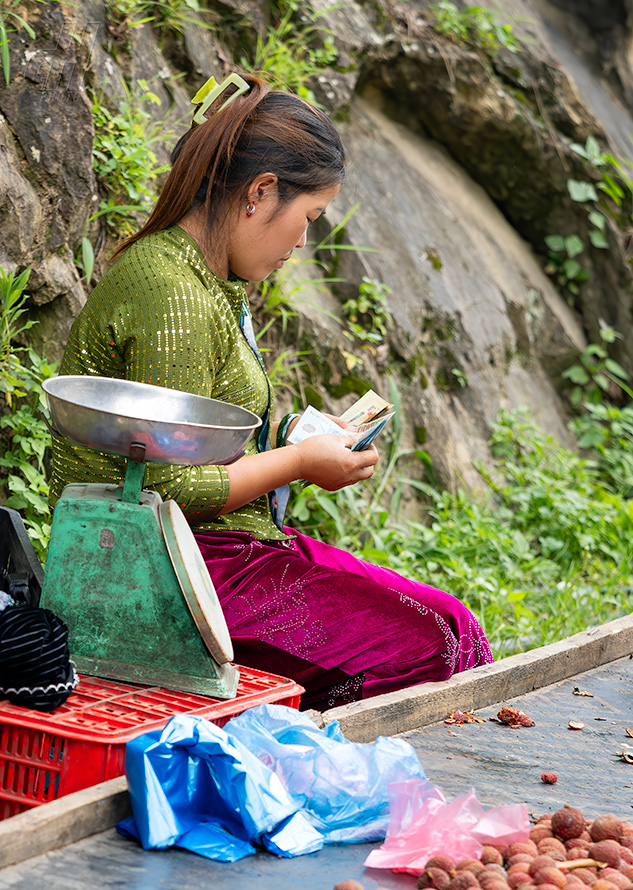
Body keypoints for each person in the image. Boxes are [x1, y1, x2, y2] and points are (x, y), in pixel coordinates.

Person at [49, 72, 494, 710]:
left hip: (227, 546)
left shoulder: (206, 280)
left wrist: (293, 441)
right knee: (431, 647)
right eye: (308, 217)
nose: (302, 241)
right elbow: (165, 488)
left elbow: (195, 448)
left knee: (457, 628)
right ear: (261, 192)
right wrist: (300, 463)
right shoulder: (169, 289)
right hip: (169, 570)